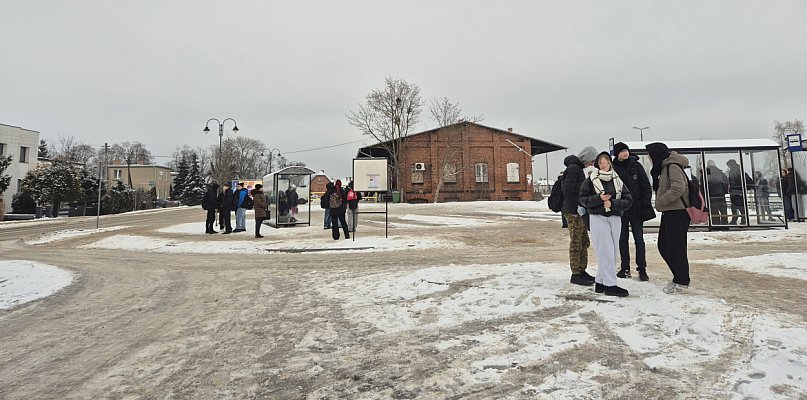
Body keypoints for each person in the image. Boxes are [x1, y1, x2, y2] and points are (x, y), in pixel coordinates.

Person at [580, 151, 633, 297]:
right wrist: (599, 198)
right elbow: (583, 199)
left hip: (615, 217)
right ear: (597, 164)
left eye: (606, 162)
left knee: (613, 250)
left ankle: (600, 281)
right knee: (605, 250)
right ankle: (610, 285)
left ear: (610, 163)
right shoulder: (591, 179)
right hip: (598, 217)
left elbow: (628, 200)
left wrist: (613, 203)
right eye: (601, 163)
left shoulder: (617, 179)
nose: (604, 166)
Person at [646, 142, 690, 294]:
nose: (649, 158)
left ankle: (682, 280)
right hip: (669, 212)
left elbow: (679, 187)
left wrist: (661, 201)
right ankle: (678, 276)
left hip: (677, 212)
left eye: (650, 155)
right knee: (664, 246)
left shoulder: (672, 166)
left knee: (676, 248)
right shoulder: (664, 167)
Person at [611, 142, 652, 281]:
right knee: (622, 239)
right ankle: (625, 268)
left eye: (626, 150)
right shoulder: (613, 168)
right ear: (617, 153)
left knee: (639, 239)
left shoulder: (635, 165)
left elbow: (645, 186)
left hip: (636, 208)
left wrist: (645, 203)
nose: (625, 153)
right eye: (622, 151)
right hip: (621, 209)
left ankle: (642, 269)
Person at [561, 146, 598, 286]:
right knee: (576, 242)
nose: (592, 164)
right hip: (573, 212)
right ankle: (576, 273)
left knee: (584, 241)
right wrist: (577, 207)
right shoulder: (573, 169)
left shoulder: (577, 168)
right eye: (592, 161)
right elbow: (568, 190)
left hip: (578, 210)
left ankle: (582, 270)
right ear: (586, 158)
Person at [726, 159, 751, 225]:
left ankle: (737, 220)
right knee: (740, 207)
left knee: (736, 207)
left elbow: (733, 181)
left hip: (736, 191)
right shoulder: (738, 169)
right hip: (739, 192)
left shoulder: (734, 171)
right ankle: (743, 220)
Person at [706, 160, 729, 225]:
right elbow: (725, 183)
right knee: (723, 211)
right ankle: (725, 224)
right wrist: (725, 191)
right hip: (721, 195)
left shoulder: (706, 173)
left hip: (711, 196)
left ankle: (716, 224)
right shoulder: (721, 173)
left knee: (714, 211)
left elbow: (703, 185)